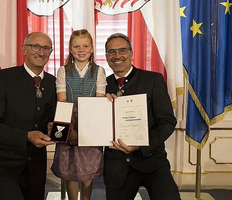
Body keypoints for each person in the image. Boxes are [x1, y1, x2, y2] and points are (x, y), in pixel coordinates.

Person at [104, 33, 181, 200]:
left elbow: (167, 122)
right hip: (117, 164)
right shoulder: (101, 85)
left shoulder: (153, 80)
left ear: (131, 53)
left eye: (122, 50)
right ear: (106, 56)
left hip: (151, 159)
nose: (117, 56)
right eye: (111, 51)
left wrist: (141, 145)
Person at [0, 32, 57, 200]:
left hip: (35, 166)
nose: (41, 52)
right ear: (24, 49)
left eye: (46, 48)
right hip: (3, 162)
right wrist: (26, 136)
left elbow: (49, 120)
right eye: (35, 46)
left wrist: (52, 127)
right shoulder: (4, 78)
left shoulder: (53, 83)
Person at [50, 29, 107, 200]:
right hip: (67, 119)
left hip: (91, 120)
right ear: (70, 49)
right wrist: (71, 130)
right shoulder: (63, 71)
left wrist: (85, 130)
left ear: (91, 49)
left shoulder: (99, 71)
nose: (81, 50)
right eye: (77, 46)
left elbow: (98, 103)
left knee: (88, 167)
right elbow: (63, 102)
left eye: (85, 46)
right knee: (70, 167)